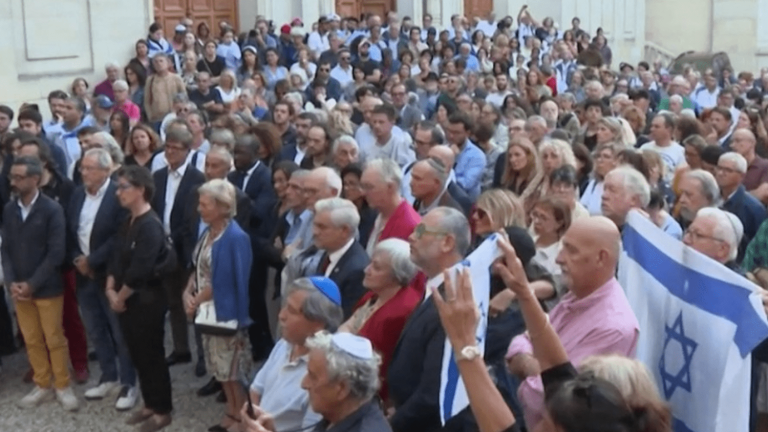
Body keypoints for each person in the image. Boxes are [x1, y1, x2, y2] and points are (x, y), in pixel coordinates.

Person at [506, 216, 639, 430]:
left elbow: (549, 397)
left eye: (571, 250)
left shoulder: (614, 328)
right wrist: (534, 367)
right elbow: (524, 339)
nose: (559, 258)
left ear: (600, 258)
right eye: (562, 248)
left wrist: (529, 365)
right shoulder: (576, 294)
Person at [3, 156, 77, 411]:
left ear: (35, 179)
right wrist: (12, 282)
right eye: (12, 176)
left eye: (19, 177)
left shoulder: (51, 209)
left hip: (46, 287)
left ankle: (63, 384)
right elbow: (7, 249)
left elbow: (56, 253)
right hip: (19, 289)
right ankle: (42, 383)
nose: (13, 181)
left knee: (54, 337)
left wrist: (32, 284)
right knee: (31, 339)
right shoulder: (9, 209)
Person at [388, 206, 471, 431]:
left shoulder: (454, 301)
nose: (411, 237)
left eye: (421, 231)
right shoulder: (436, 286)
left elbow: (433, 391)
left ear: (447, 243)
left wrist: (393, 424)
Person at [69, 149, 137, 410]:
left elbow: (120, 235)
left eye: (88, 168)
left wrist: (93, 260)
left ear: (105, 170)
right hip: (83, 275)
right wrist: (78, 259)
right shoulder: (77, 195)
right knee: (96, 329)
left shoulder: (117, 195)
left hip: (109, 273)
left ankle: (129, 383)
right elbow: (70, 229)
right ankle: (109, 376)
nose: (83, 173)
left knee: (119, 332)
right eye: (82, 168)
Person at [183, 179, 253, 432]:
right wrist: (186, 292)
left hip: (226, 313)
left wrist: (196, 299)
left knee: (233, 371)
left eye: (205, 204)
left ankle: (241, 417)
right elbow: (198, 267)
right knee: (219, 369)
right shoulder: (207, 232)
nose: (200, 209)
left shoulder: (236, 238)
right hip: (206, 310)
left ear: (223, 207)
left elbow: (229, 279)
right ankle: (230, 411)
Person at [108, 165, 172, 431]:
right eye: (118, 187)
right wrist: (110, 288)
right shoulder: (128, 222)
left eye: (124, 187)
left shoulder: (150, 226)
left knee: (151, 355)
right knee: (136, 353)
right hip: (126, 299)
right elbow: (117, 258)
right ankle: (149, 403)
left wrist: (120, 296)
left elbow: (140, 270)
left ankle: (162, 409)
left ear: (141, 190)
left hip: (146, 300)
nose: (118, 193)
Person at [247, 277, 342, 431]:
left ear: (318, 323)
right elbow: (256, 390)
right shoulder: (285, 344)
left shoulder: (323, 371)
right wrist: (253, 421)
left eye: (291, 310)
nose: (281, 315)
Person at [340, 238, 420, 401]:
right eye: (370, 263)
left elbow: (376, 366)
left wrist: (346, 335)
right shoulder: (374, 294)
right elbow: (345, 328)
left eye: (376, 267)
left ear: (397, 276)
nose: (366, 270)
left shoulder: (401, 312)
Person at [151, 128, 206, 366]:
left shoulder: (197, 179)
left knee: (194, 303)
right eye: (167, 147)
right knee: (173, 301)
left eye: (176, 148)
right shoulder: (158, 176)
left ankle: (204, 357)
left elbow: (192, 220)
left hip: (187, 250)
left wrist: (177, 241)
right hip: (164, 250)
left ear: (188, 150)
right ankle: (181, 348)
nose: (170, 152)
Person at [311, 197, 369, 317]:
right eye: (315, 225)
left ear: (344, 231)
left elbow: (342, 317)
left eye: (322, 227)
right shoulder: (329, 252)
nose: (315, 232)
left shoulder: (357, 270)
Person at [360, 158, 420, 252]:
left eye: (369, 187)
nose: (363, 193)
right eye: (363, 186)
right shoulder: (376, 214)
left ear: (391, 187)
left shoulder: (409, 225)